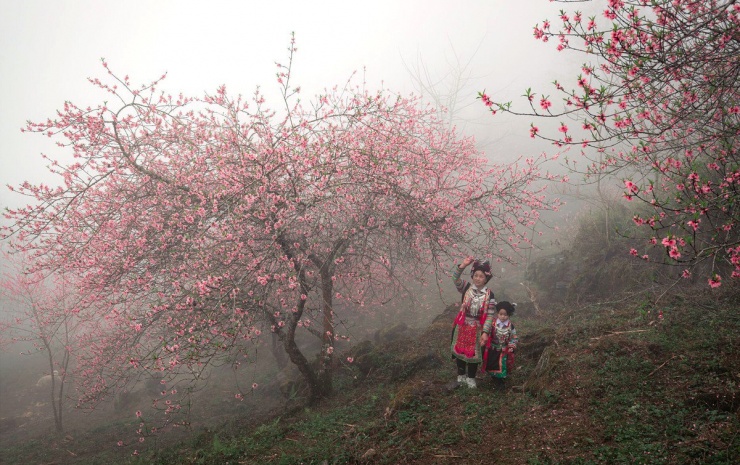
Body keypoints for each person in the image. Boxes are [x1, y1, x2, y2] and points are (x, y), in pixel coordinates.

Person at [450, 257, 496, 388]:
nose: (478, 278)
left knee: (474, 353)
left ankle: (471, 377)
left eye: (481, 276)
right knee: (460, 351)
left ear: (486, 279)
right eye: (475, 275)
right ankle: (461, 374)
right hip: (463, 325)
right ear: (472, 276)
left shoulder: (489, 295)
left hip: (477, 327)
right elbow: (455, 279)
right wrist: (462, 265)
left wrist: (485, 332)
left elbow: (490, 315)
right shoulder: (466, 287)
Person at [482, 301, 518, 389]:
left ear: (509, 315)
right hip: (493, 348)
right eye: (500, 314)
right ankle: (494, 377)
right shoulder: (493, 324)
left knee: (502, 365)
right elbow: (487, 332)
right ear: (497, 313)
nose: (503, 316)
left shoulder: (510, 326)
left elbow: (514, 337)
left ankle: (500, 381)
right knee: (492, 363)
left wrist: (511, 346)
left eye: (505, 315)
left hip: (504, 350)